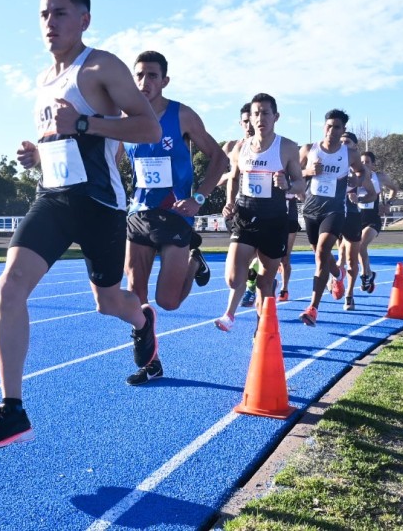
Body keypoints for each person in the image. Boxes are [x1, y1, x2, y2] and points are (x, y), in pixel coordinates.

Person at [0, 0, 162, 449]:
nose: (49, 23)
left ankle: (142, 321)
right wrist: (37, 154)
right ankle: (12, 410)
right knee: (10, 285)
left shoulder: (101, 66)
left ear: (84, 19)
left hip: (99, 205)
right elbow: (62, 140)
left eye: (59, 13)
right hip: (53, 197)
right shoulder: (42, 81)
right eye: (43, 14)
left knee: (108, 302)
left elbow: (149, 128)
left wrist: (84, 122)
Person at [122, 50, 228, 384]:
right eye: (139, 75)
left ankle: (195, 263)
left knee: (167, 302)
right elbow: (111, 161)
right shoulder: (125, 119)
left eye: (152, 75)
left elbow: (220, 158)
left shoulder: (182, 115)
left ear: (165, 81)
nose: (145, 82)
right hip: (138, 213)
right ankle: (151, 363)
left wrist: (198, 199)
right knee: (135, 295)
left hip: (175, 214)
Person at [215, 93, 305, 332]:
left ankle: (260, 330)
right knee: (233, 278)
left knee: (265, 283)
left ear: (276, 116)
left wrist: (287, 185)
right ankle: (235, 306)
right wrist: (230, 202)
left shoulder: (287, 147)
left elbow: (300, 184)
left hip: (274, 220)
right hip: (245, 216)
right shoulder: (240, 148)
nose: (260, 118)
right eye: (256, 113)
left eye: (265, 113)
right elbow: (234, 178)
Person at [298, 109, 365, 326]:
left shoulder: (349, 154)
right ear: (323, 127)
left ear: (343, 130)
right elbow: (293, 173)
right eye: (329, 126)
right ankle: (338, 274)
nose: (332, 130)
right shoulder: (309, 149)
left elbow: (361, 171)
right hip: (310, 210)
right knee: (322, 255)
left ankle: (313, 308)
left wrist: (357, 181)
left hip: (335, 210)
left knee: (322, 252)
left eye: (337, 127)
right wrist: (308, 172)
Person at [214, 103, 261, 324]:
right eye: (245, 122)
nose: (249, 125)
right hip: (239, 212)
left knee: (260, 263)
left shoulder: (272, 146)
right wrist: (229, 199)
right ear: (240, 123)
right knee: (234, 274)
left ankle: (233, 314)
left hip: (266, 212)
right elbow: (218, 178)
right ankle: (251, 279)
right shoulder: (233, 147)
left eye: (252, 120)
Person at [336, 133, 376, 311]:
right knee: (331, 254)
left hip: (352, 215)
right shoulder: (329, 162)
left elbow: (372, 194)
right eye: (341, 142)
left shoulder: (360, 171)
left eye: (347, 142)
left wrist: (358, 199)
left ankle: (349, 295)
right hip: (331, 213)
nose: (343, 144)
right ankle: (336, 276)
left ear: (354, 147)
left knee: (351, 259)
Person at [356, 150, 398, 293]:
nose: (364, 164)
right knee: (358, 248)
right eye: (361, 162)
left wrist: (388, 204)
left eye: (367, 162)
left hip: (373, 218)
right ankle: (369, 273)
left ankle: (364, 275)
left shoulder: (379, 177)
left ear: (373, 164)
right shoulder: (353, 177)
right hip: (357, 218)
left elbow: (394, 189)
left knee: (361, 244)